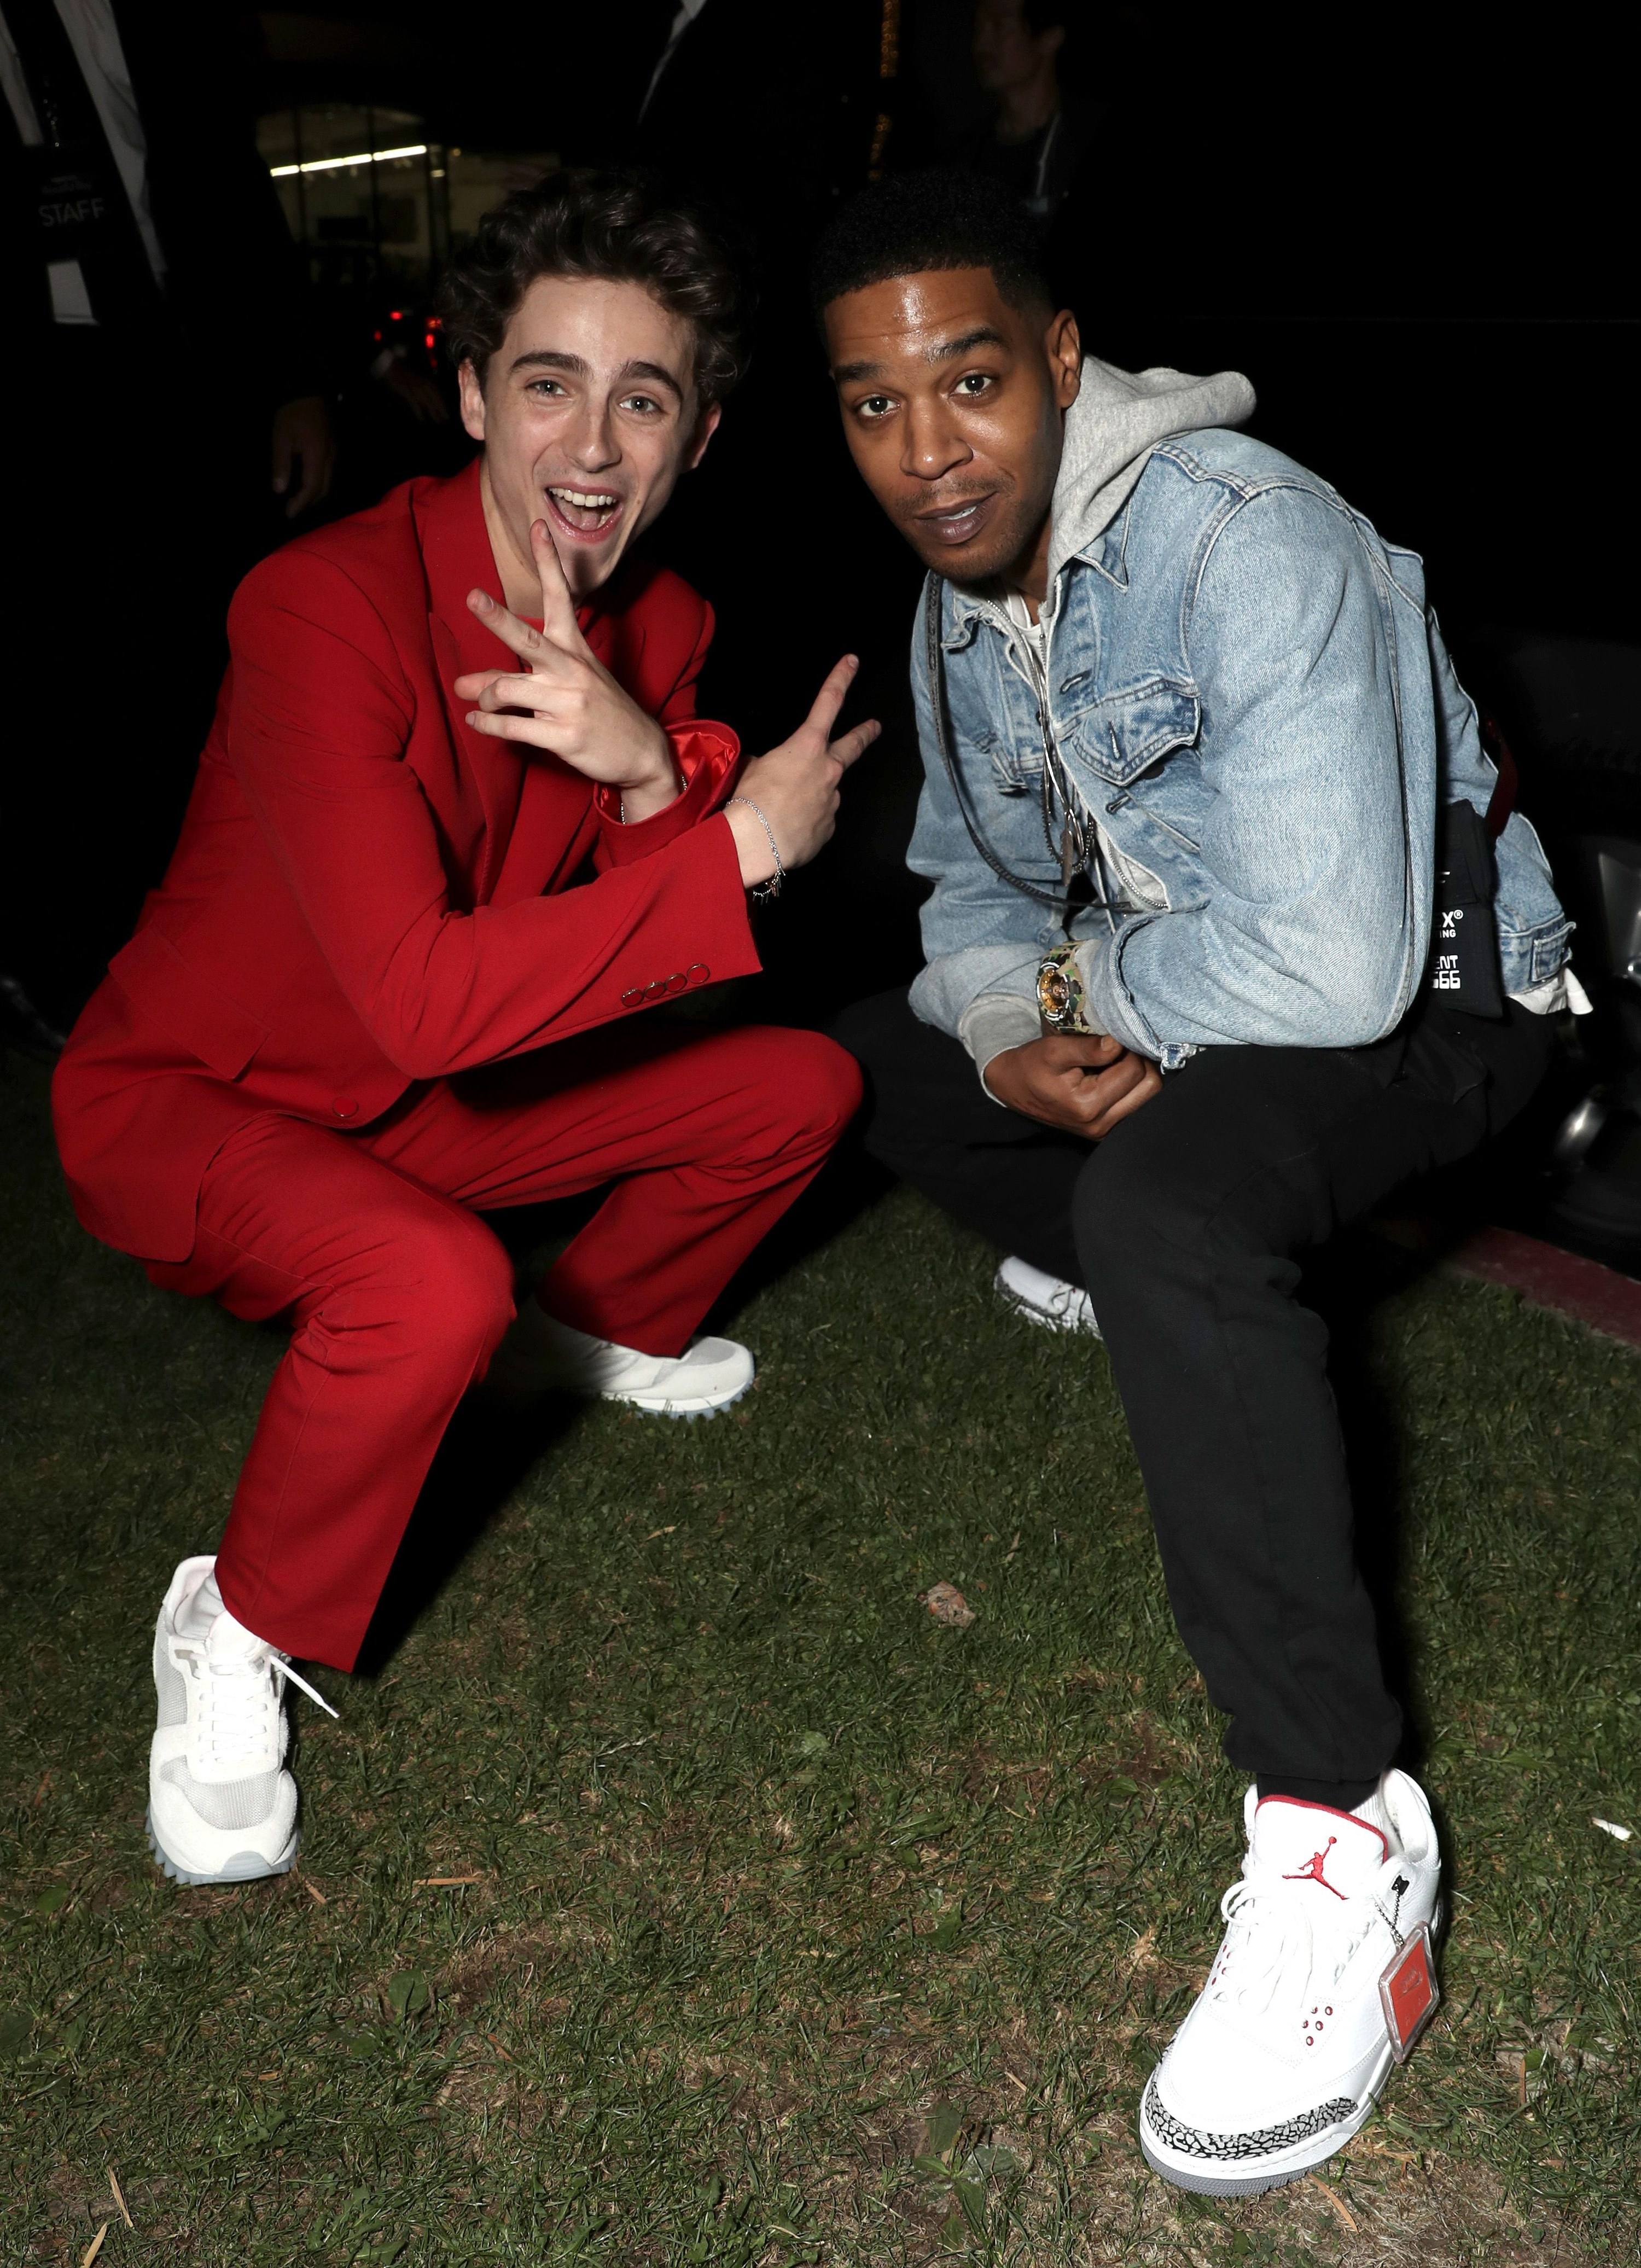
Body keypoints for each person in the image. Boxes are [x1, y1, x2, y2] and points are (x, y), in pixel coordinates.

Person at [813, 171, 1574, 2195]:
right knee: (872, 1057)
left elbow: (1323, 963)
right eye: (873, 407)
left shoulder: (1243, 533)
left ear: (1056, 365)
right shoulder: (959, 596)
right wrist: (1001, 1025)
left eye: (968, 382)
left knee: (1165, 1197)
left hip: (1434, 998)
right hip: (1202, 988)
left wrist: (1069, 994)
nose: (926, 449)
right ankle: (1166, 1297)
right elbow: (964, 893)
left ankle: (1343, 1836)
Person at [51, 170, 876, 1892]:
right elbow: (422, 986)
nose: (594, 439)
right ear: (476, 392)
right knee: (427, 1276)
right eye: (552, 382)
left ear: (696, 438)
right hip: (204, 1103)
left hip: (437, 1093)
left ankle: (582, 1335)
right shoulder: (320, 607)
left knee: (797, 1084)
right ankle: (236, 1615)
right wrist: (730, 840)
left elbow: (665, 972)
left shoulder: (663, 625)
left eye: (643, 396)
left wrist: (653, 772)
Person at [0, 2, 336, 1042]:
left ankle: (186, 956)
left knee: (188, 677)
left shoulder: (154, 13)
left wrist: (296, 381)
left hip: (175, 370)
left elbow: (230, 188)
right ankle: (60, 966)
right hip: (32, 384)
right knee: (53, 685)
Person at [953, 0, 1089, 219]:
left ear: (1050, 38)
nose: (983, 42)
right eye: (978, 28)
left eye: (1000, 25)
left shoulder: (1086, 142)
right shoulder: (966, 157)